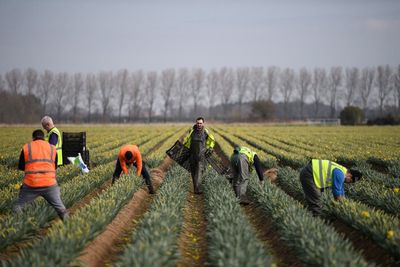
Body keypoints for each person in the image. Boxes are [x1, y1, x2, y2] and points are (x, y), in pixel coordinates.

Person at [13, 129, 68, 221]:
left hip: (31, 184)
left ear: (33, 138)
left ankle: (19, 226)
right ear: (44, 137)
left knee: (18, 207)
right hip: (49, 184)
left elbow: (21, 166)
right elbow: (54, 166)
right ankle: (69, 226)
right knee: (61, 209)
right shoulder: (52, 148)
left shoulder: (27, 147)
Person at [183, 117, 215, 194]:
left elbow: (212, 140)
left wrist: (210, 148)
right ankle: (196, 189)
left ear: (203, 123)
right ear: (196, 123)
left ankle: (198, 189)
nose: (199, 125)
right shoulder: (191, 131)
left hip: (201, 155)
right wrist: (185, 150)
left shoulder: (206, 132)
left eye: (200, 123)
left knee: (199, 172)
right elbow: (187, 141)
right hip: (192, 155)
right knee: (193, 172)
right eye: (198, 123)